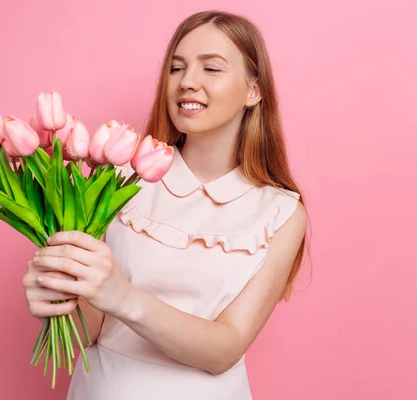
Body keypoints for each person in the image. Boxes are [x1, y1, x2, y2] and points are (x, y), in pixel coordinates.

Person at [23, 9, 310, 400]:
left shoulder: (280, 212)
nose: (187, 82)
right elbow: (89, 331)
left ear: (253, 91)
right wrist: (56, 296)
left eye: (211, 69)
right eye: (177, 68)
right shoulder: (118, 176)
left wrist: (124, 298)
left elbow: (225, 349)